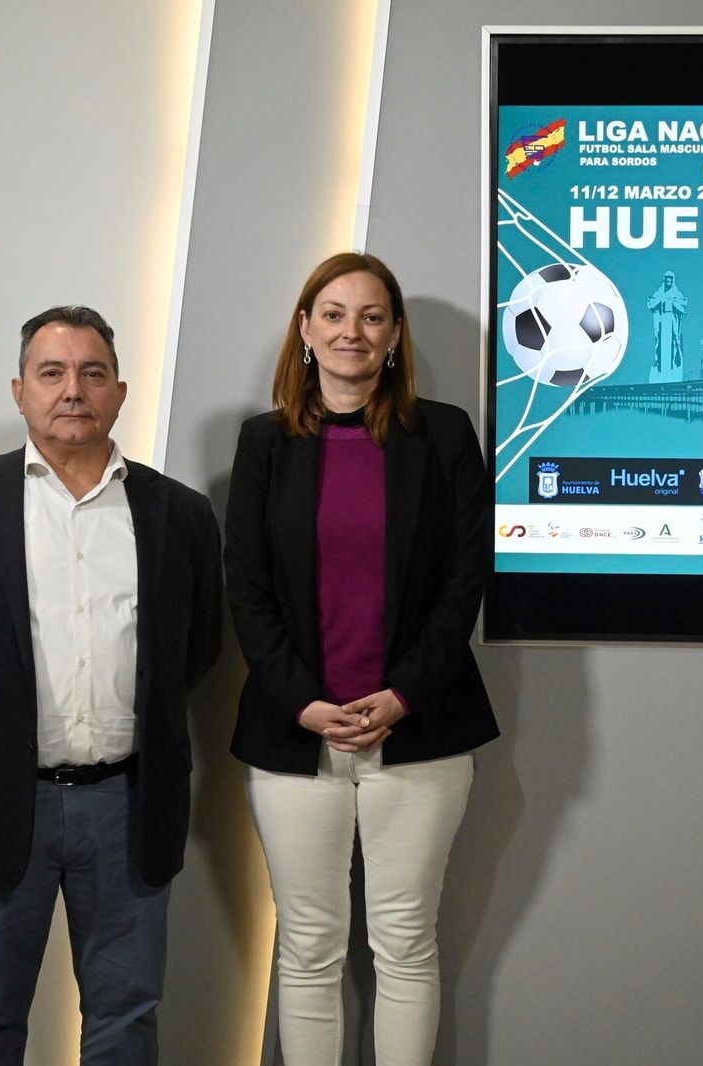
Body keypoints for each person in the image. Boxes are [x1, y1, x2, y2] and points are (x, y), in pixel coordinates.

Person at [0, 305, 224, 1065]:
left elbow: (195, 650)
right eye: (52, 373)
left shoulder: (180, 516)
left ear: (120, 393)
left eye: (92, 373)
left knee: (126, 1023)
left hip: (128, 808)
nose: (73, 390)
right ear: (19, 390)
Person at [225, 252, 498, 1064]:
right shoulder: (264, 444)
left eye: (372, 316)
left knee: (406, 941)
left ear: (395, 335)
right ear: (305, 330)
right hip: (294, 736)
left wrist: (405, 692)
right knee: (307, 950)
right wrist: (302, 700)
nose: (353, 331)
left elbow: (464, 581)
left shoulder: (442, 434)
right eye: (335, 314)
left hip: (420, 733)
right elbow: (247, 589)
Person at [647, 269, 688, 372]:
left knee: (674, 341)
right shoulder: (659, 292)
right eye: (667, 279)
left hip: (672, 319)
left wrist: (675, 304)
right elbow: (651, 304)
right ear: (664, 280)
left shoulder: (676, 293)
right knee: (659, 342)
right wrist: (658, 301)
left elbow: (683, 305)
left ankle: (674, 363)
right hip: (662, 320)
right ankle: (659, 364)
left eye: (670, 279)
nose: (668, 281)